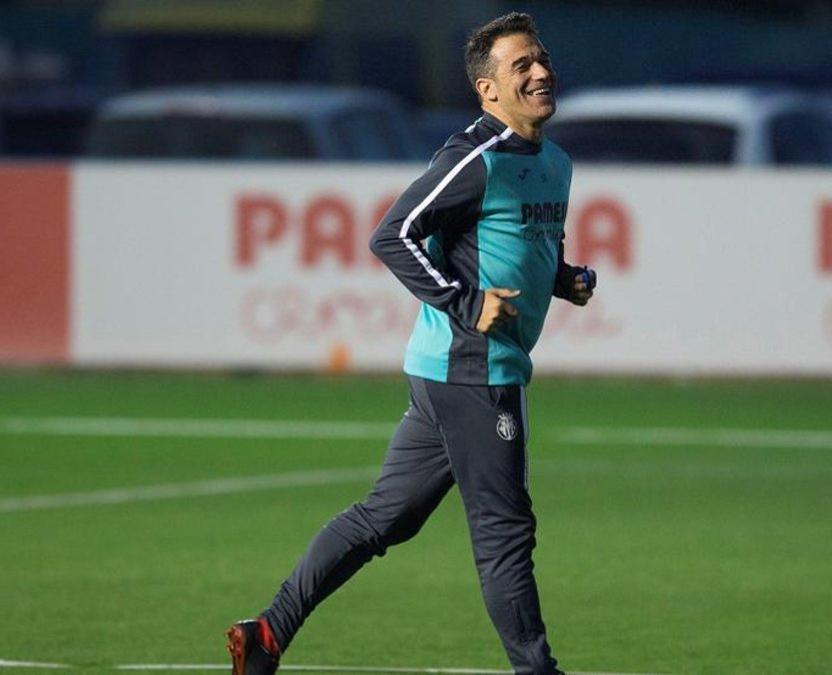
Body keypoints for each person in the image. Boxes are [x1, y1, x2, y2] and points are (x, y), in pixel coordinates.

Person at [225, 11, 595, 675]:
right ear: (488, 91)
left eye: (543, 60)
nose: (542, 72)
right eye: (522, 66)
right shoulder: (475, 159)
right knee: (505, 532)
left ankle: (267, 633)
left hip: (458, 370)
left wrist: (563, 278)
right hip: (470, 370)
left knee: (384, 519)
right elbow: (392, 235)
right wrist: (464, 301)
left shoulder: (554, 162)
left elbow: (523, 246)